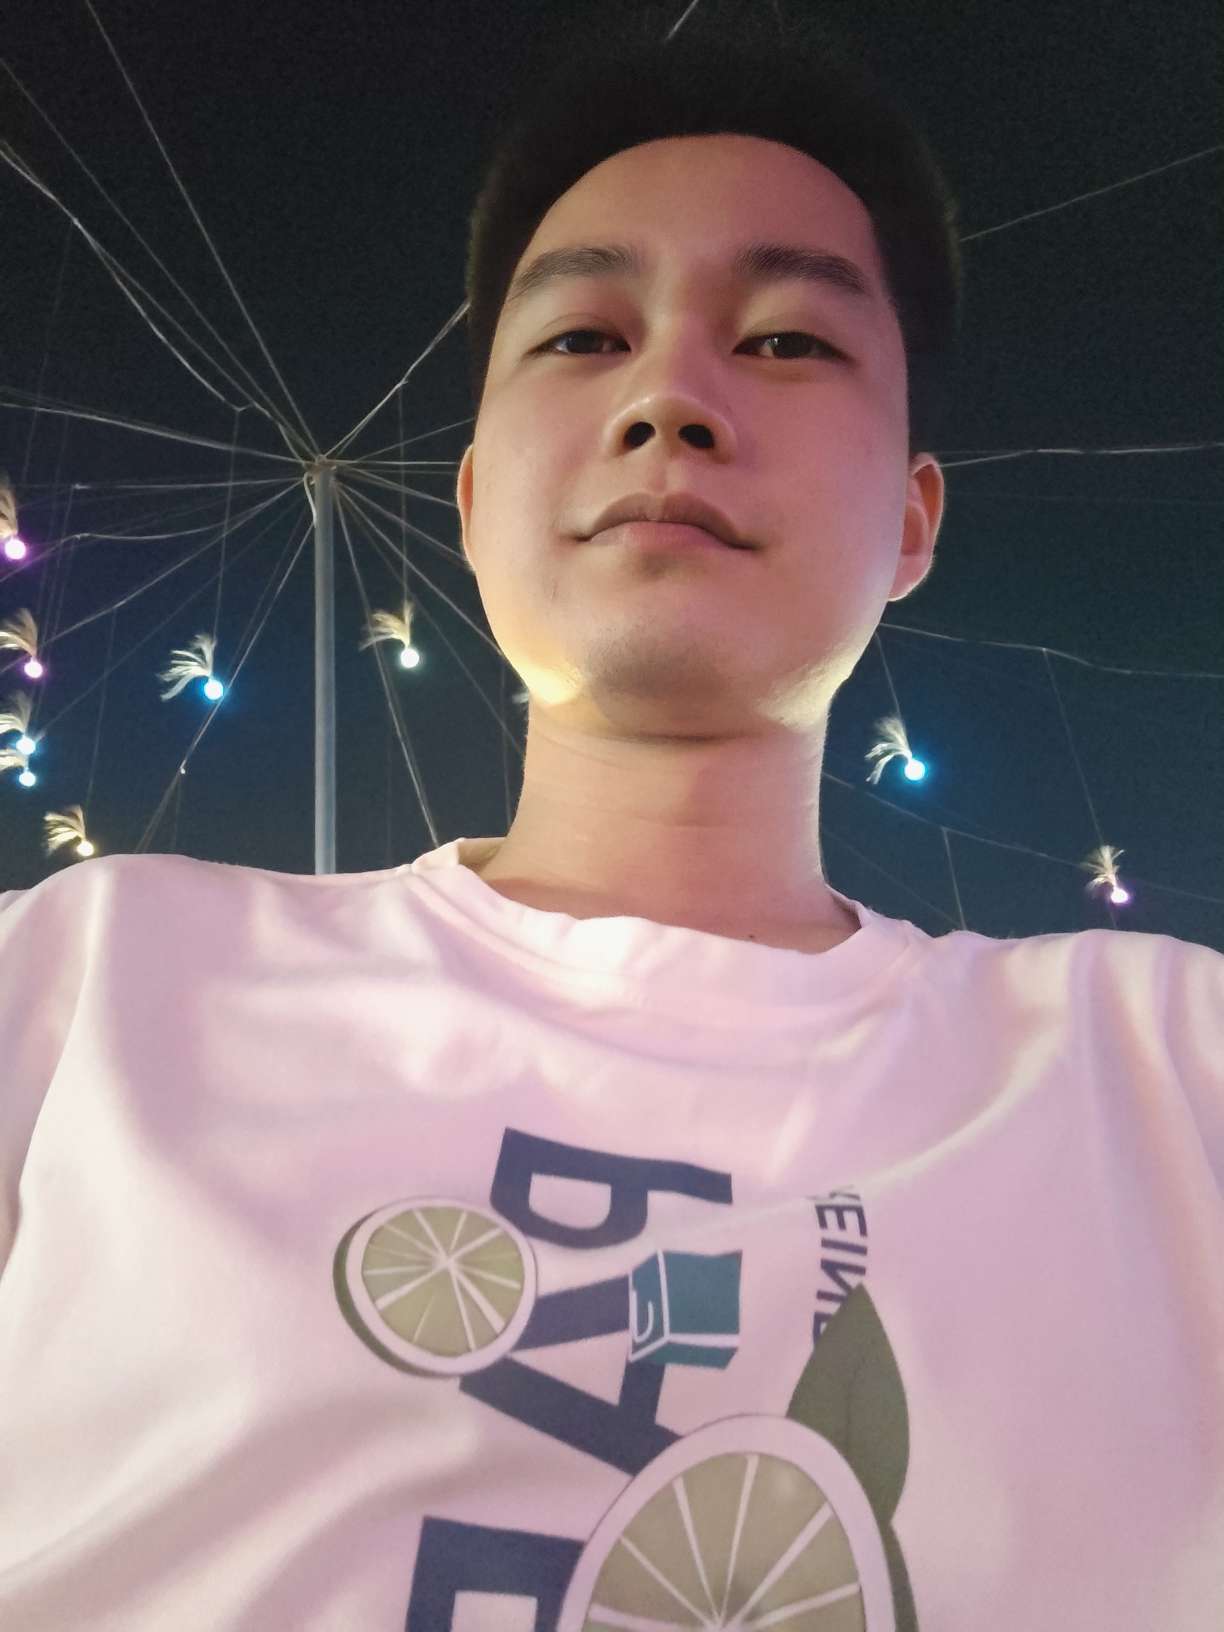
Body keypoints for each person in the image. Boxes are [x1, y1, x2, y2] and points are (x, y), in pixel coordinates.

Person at [1, 20, 1220, 1632]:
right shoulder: (93, 986)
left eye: (786, 341)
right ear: (470, 496)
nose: (668, 397)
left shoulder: (1162, 1076)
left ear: (913, 520)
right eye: (583, 336)